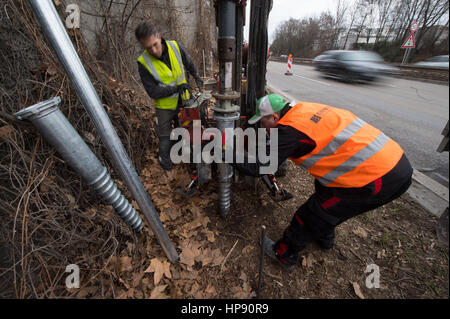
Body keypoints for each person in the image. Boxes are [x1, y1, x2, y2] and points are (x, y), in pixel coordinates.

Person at [231, 94, 413, 269]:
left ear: (274, 117)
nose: (263, 128)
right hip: (393, 158)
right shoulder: (302, 109)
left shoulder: (289, 131)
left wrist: (223, 154)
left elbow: (259, 167)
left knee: (313, 214)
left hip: (379, 178)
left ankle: (284, 254)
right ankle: (324, 237)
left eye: (263, 123)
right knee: (324, 189)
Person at [135, 22, 204, 171]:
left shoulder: (175, 46)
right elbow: (152, 91)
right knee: (164, 139)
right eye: (148, 48)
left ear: (159, 37)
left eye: (155, 44)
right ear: (143, 46)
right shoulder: (143, 62)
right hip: (164, 107)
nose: (153, 50)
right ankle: (166, 167)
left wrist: (196, 76)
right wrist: (176, 88)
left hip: (184, 99)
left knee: (187, 130)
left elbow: (188, 62)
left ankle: (189, 161)